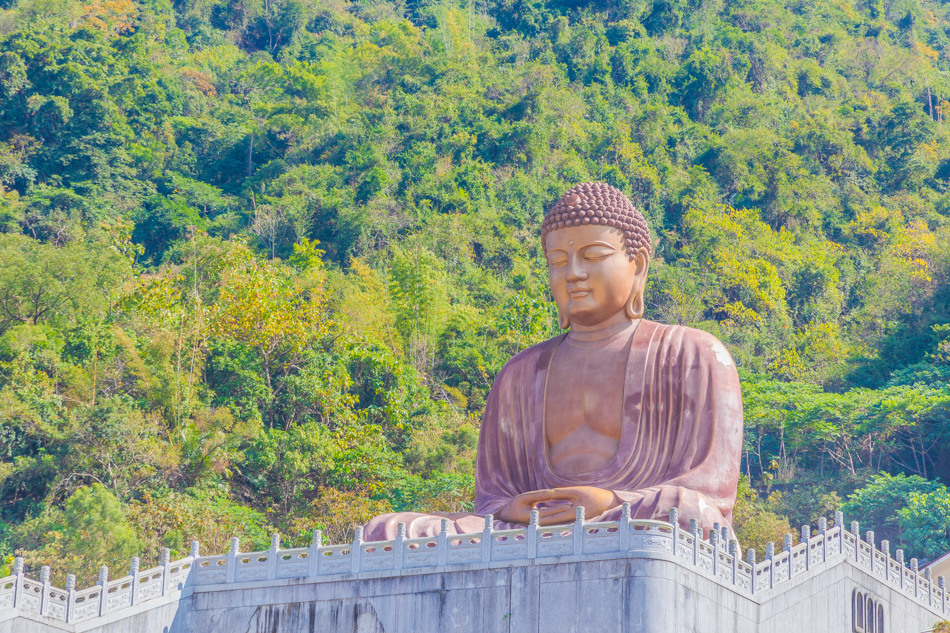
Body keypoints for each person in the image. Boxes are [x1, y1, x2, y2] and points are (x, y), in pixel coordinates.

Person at [364, 182, 743, 540]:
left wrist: (610, 501)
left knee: (691, 514)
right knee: (388, 531)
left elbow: (710, 490)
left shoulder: (693, 355)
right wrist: (515, 507)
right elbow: (492, 500)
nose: (573, 274)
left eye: (593, 256)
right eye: (558, 260)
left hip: (628, 520)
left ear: (638, 265)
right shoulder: (520, 374)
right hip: (526, 533)